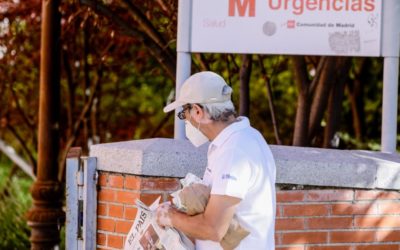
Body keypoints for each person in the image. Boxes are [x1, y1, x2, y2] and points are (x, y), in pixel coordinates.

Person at [156, 71, 276, 250]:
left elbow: (213, 228)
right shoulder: (247, 137)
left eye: (183, 114)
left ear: (197, 111)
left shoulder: (233, 151)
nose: (185, 120)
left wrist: (170, 216)